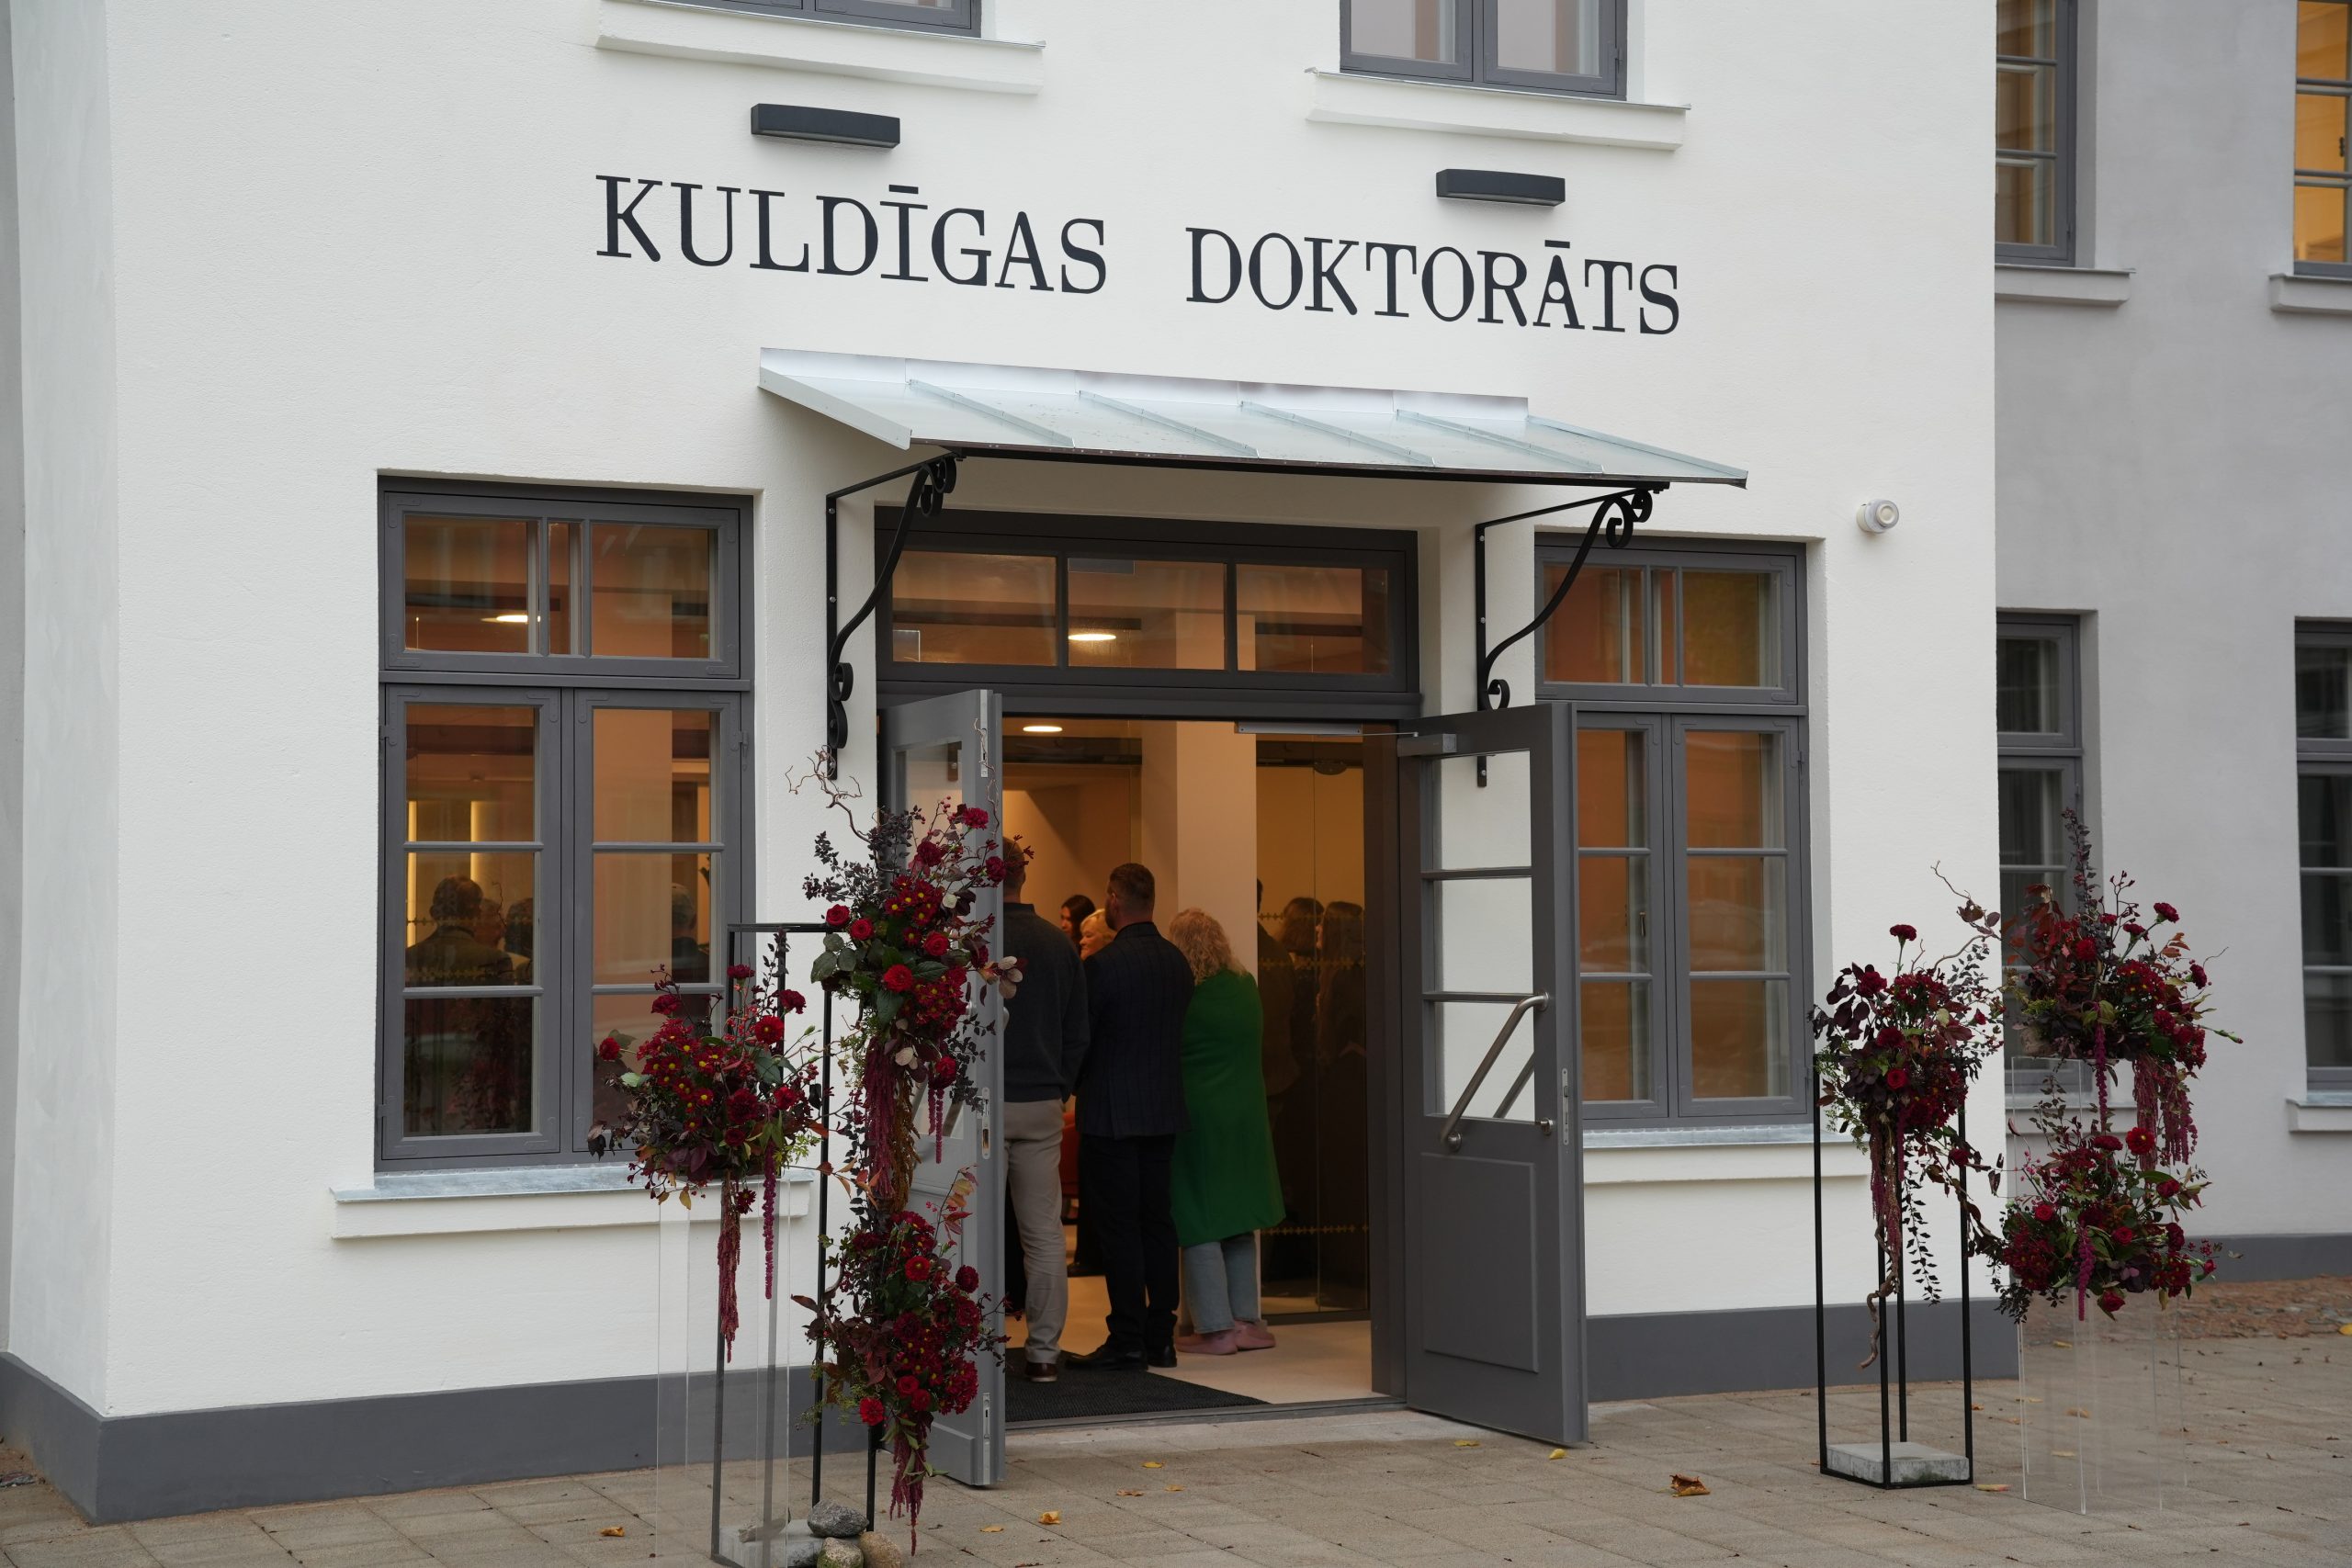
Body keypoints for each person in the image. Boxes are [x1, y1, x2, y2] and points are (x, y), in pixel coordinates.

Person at [1067, 863, 1193, 1371]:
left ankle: (1127, 1337)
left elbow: (1082, 1040)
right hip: (1163, 1108)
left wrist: (1069, 1087)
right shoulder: (1177, 963)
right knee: (1158, 1222)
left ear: (1114, 900)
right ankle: (1161, 1334)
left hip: (1111, 1113)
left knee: (1119, 1228)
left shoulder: (1104, 966)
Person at [1165, 908, 1284, 1356]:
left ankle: (1215, 1329)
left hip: (1199, 1115)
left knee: (1198, 1216)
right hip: (1246, 1114)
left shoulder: (1184, 993)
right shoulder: (1245, 984)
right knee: (1238, 1216)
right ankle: (1246, 1321)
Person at [998, 849, 1089, 1383]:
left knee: (971, 1229)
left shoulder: (974, 942)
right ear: (1024, 874)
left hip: (982, 1104)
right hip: (1041, 1102)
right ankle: (1045, 1354)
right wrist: (1061, 1088)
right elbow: (1079, 1031)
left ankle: (975, 1347)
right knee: (1044, 1235)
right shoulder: (1059, 944)